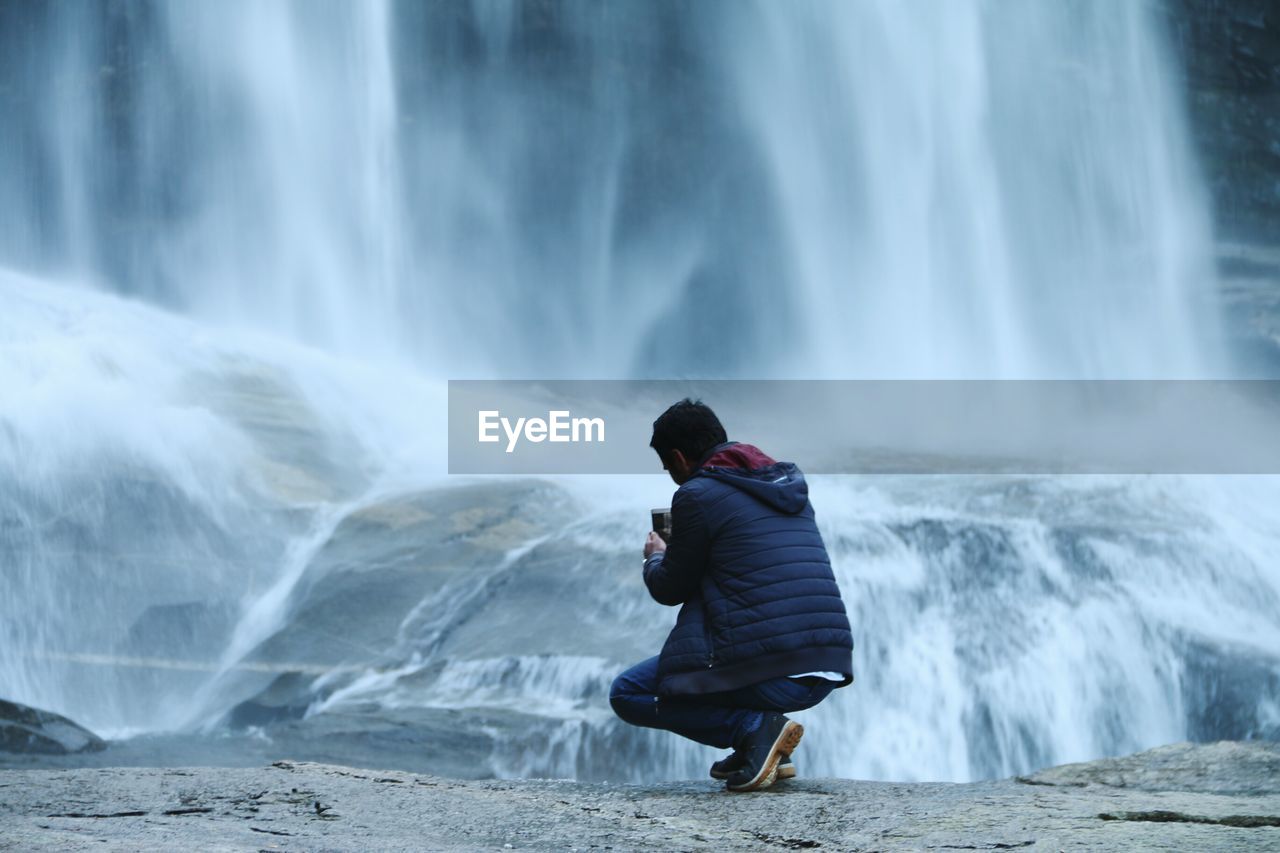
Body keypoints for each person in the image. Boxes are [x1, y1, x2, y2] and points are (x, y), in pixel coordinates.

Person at [609, 399, 854, 792]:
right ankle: (763, 748)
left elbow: (670, 589)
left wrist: (655, 558)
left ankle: (754, 729)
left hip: (772, 668)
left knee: (628, 692)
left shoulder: (697, 495)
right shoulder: (783, 485)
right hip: (825, 666)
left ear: (678, 457)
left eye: (668, 467)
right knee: (731, 645)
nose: (672, 476)